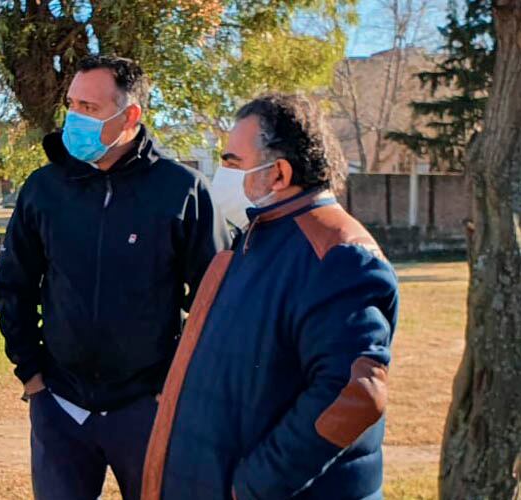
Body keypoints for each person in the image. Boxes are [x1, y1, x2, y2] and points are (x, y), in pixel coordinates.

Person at [142, 93, 399, 500]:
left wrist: (254, 486)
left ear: (278, 173)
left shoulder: (337, 254)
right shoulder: (256, 238)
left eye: (232, 162)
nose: (222, 173)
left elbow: (354, 393)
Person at [0, 55, 229, 500]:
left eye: (91, 108)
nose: (75, 118)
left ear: (130, 115)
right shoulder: (44, 189)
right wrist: (32, 378)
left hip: (148, 410)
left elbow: (212, 303)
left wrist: (174, 389)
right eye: (72, 104)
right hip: (60, 406)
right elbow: (15, 285)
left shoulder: (182, 191)